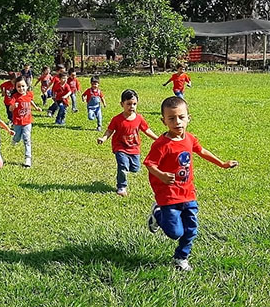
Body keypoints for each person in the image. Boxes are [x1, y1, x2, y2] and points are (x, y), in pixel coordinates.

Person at [145, 96, 238, 271]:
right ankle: (158, 213)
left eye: (181, 117)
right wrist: (161, 175)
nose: (177, 122)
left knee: (191, 229)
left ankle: (181, 258)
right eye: (171, 118)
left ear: (189, 118)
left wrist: (222, 164)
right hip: (169, 195)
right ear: (164, 121)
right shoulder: (161, 144)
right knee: (175, 233)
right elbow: (149, 164)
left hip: (188, 194)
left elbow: (202, 151)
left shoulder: (189, 138)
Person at [97, 89, 158, 196]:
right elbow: (110, 131)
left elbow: (147, 130)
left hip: (134, 148)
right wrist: (103, 138)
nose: (132, 106)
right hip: (120, 147)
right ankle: (122, 186)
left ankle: (126, 170)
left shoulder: (139, 118)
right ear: (122, 104)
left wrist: (158, 139)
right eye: (128, 104)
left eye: (134, 104)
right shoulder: (117, 119)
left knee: (135, 168)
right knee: (123, 166)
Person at [9, 76, 42, 167]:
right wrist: (13, 106)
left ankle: (28, 158)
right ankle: (15, 140)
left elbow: (30, 101)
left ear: (27, 86)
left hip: (27, 121)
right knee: (17, 137)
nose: (21, 88)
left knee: (27, 139)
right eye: (19, 86)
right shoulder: (15, 97)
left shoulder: (29, 95)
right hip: (18, 121)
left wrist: (36, 108)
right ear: (15, 87)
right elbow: (10, 108)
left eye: (23, 86)